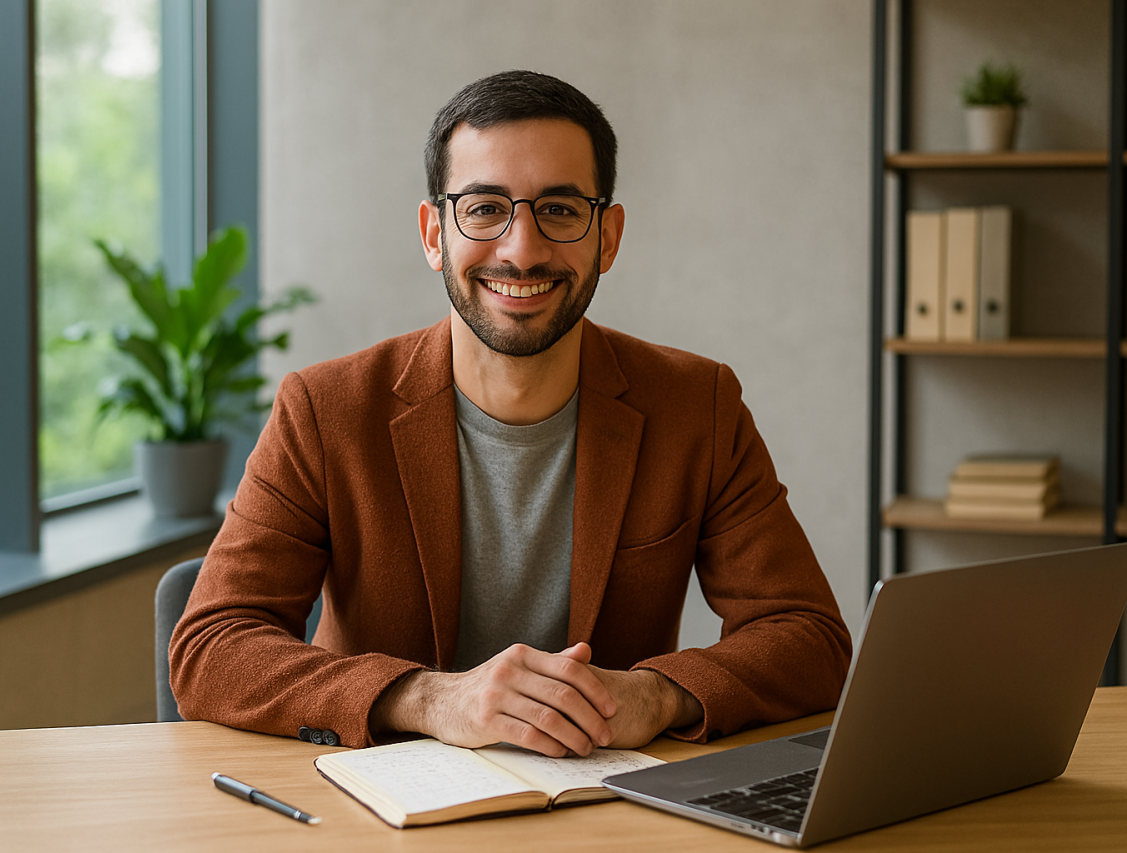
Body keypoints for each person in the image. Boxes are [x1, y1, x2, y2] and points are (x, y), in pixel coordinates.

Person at [170, 70, 851, 758]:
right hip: (379, 798)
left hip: (607, 798)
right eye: (484, 208)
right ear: (434, 233)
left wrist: (656, 694)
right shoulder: (324, 410)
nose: (521, 250)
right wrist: (429, 698)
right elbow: (211, 646)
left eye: (560, 209)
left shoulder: (697, 405)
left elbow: (811, 637)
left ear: (608, 236)